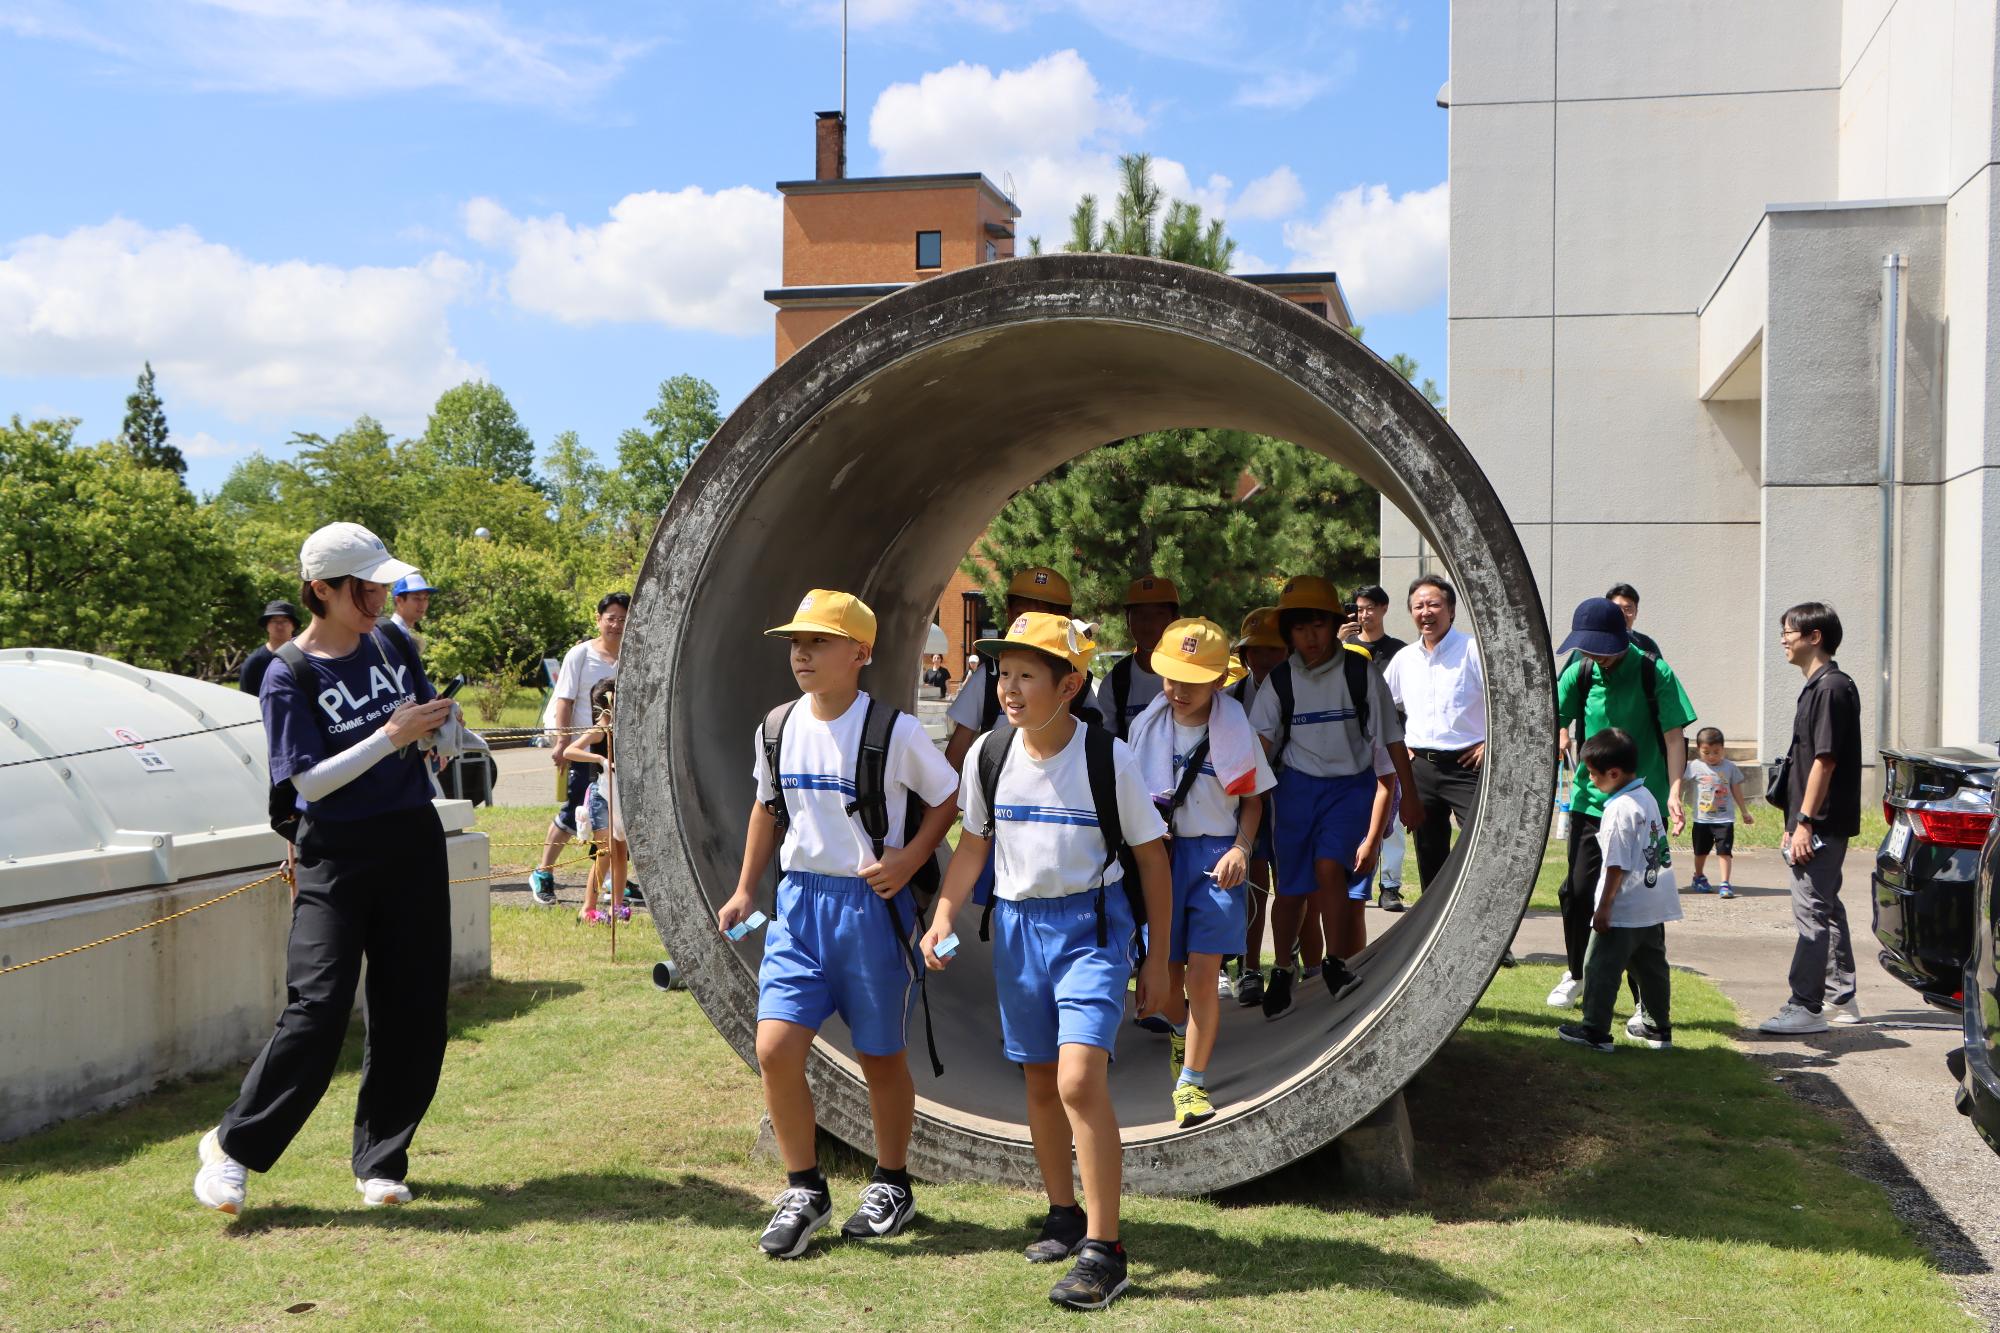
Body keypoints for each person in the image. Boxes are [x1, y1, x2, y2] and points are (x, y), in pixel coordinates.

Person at [193, 522, 457, 1217]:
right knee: (318, 1007)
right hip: (335, 852)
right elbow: (309, 783)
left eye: (380, 585)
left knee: (415, 1009)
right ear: (322, 590)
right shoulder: (288, 673)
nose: (378, 597)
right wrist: (390, 735)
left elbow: (419, 723)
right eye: (364, 587)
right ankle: (232, 1148)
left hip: (411, 838)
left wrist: (435, 729)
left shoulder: (394, 642)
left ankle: (382, 1159)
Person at [921, 612, 1170, 1311]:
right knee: (1037, 1079)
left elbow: (1153, 859)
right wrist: (945, 913)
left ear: (1071, 683)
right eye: (1004, 673)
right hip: (1020, 929)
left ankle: (1106, 1248)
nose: (1010, 687)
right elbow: (973, 844)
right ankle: (1063, 1214)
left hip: (1091, 927)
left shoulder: (1107, 757)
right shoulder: (988, 755)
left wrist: (1160, 961)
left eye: (1028, 674)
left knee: (1079, 1077)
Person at [719, 589, 961, 1259]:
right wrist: (745, 889)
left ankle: (892, 1181)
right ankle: (804, 1188)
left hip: (870, 910)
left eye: (818, 641)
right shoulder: (776, 725)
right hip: (799, 905)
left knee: (880, 1056)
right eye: (796, 641)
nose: (801, 652)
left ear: (860, 653)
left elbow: (949, 798)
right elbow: (768, 807)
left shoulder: (896, 730)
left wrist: (908, 859)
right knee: (775, 1046)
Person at [1247, 575, 1423, 1023]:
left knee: (1330, 868)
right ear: (1288, 632)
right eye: (1300, 627)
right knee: (1290, 891)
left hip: (1350, 788)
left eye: (1319, 626)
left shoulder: (1358, 671)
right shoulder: (1281, 681)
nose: (1310, 637)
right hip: (1295, 790)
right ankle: (1283, 970)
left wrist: (1409, 796)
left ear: (1334, 625)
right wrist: (1239, 796)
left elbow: (1392, 738)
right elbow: (1258, 748)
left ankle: (1334, 962)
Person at [1127, 617, 1275, 1126]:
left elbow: (1253, 803)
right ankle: (1179, 1032)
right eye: (1171, 677)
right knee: (1165, 982)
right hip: (1160, 860)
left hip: (1216, 862)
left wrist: (1240, 848)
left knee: (1204, 976)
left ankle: (1192, 1083)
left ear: (1218, 680)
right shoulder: (1144, 728)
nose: (1179, 689)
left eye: (1193, 679)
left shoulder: (1238, 730)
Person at [1551, 598, 1695, 1011]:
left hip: (1640, 807)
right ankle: (1578, 973)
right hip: (1589, 802)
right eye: (1586, 647)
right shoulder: (1581, 671)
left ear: (1621, 638)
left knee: (1640, 900)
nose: (1593, 655)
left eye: (1600, 648)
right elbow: (1552, 715)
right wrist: (1560, 733)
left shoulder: (1654, 671)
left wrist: (1673, 791)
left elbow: (1673, 737)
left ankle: (1644, 1001)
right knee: (1579, 892)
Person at [1759, 602, 1865, 1034]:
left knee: (1812, 912)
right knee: (1827, 906)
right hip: (1811, 819)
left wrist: (1804, 822)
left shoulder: (1831, 688)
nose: (1783, 639)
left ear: (1813, 636)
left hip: (1817, 822)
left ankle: (1806, 1005)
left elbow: (1825, 760)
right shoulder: (1822, 685)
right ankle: (1843, 996)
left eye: (1788, 632)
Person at [1556, 728, 1680, 1053]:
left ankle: (1595, 1032)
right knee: (1652, 969)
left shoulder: (1617, 809)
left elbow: (1615, 864)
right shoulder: (1647, 797)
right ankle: (1657, 1028)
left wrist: (1604, 907)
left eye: (1594, 775)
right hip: (1652, 905)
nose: (1591, 781)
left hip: (1623, 909)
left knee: (1598, 967)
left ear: (1613, 773)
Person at [1381, 576, 1486, 904]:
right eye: (1418, 606)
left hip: (1467, 766)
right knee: (1429, 854)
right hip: (1420, 768)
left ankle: (1489, 933)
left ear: (1451, 610)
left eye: (1434, 604)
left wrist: (1489, 745)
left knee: (1480, 850)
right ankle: (1436, 930)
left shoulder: (1472, 650)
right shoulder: (1404, 658)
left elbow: (1506, 702)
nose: (1426, 612)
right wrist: (1402, 744)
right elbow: (1383, 708)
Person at [528, 593, 629, 907]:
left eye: (623, 619)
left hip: (617, 748)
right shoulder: (580, 655)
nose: (616, 625)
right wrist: (561, 742)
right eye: (611, 618)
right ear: (598, 620)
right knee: (576, 811)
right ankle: (543, 872)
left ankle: (610, 879)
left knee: (613, 819)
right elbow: (564, 700)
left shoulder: (631, 655)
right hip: (584, 742)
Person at [1226, 607, 1286, 1006]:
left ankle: (1290, 959)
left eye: (1272, 650)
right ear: (1244, 656)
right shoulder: (1230, 700)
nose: (1263, 659)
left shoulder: (1295, 690)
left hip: (1291, 795)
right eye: (1256, 651)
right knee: (1252, 884)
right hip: (1247, 801)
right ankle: (1249, 968)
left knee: (1295, 884)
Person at [1342, 585, 1410, 909]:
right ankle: (1353, 874)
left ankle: (1390, 884)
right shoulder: (1345, 647)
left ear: (1384, 608)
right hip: (1354, 743)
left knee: (1391, 818)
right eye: (1359, 608)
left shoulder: (1399, 650)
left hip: (1391, 738)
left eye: (1370, 608)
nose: (1364, 614)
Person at [567, 678, 629, 923]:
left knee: (621, 851)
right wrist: (599, 761)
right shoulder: (599, 731)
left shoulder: (620, 730)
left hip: (619, 796)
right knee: (604, 852)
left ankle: (617, 905)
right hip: (602, 796)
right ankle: (588, 907)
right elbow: (570, 751)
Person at [1096, 575, 1180, 740]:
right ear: (1128, 621)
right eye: (1140, 614)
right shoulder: (1115, 682)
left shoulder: (1191, 675)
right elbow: (1105, 743)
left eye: (1158, 614)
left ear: (1175, 620)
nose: (1148, 622)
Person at [1684, 726, 1753, 898]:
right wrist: (1677, 804)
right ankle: (1698, 876)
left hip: (1724, 818)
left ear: (1723, 748)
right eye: (1706, 752)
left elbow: (1736, 790)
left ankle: (1725, 883)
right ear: (1699, 749)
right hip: (1702, 819)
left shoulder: (1729, 767)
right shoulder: (1694, 766)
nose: (1712, 756)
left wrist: (1744, 811)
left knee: (1724, 851)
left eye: (1716, 752)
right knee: (1700, 852)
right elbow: (1679, 783)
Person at [238, 600, 300, 695]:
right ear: (266, 626)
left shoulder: (305, 656)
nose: (279, 626)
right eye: (274, 621)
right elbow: (246, 699)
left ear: (293, 626)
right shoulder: (254, 662)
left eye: (285, 621)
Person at [1604, 583, 1663, 660]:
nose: (1622, 614)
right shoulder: (1594, 640)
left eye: (1628, 609)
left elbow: (1661, 671)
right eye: (1617, 608)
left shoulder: (1647, 644)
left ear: (1636, 613)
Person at [385, 572, 434, 654]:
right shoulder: (390, 634)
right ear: (399, 600)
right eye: (416, 598)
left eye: (425, 598)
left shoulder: (403, 633)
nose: (422, 604)